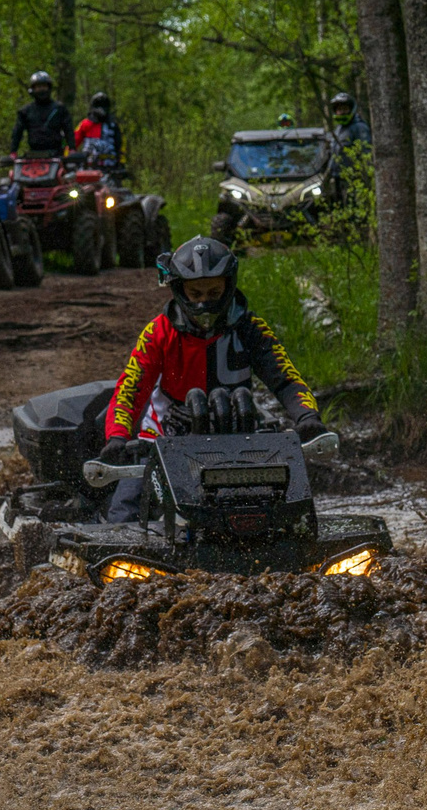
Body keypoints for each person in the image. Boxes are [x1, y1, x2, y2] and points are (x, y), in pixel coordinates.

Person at [98, 236, 324, 522]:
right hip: (163, 437)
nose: (204, 303)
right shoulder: (158, 332)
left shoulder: (252, 328)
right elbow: (131, 388)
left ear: (229, 286)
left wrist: (307, 416)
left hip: (239, 436)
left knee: (290, 512)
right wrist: (118, 436)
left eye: (214, 292)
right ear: (180, 290)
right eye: (196, 293)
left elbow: (285, 378)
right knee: (125, 510)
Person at [11, 70, 72, 158]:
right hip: (33, 156)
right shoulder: (26, 111)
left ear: (49, 88)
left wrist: (72, 149)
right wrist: (13, 151)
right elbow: (17, 132)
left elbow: (68, 130)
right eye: (38, 87)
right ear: (33, 89)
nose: (41, 89)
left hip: (56, 155)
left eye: (44, 86)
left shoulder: (59, 109)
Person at [74, 90, 122, 165]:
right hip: (88, 165)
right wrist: (68, 158)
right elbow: (73, 141)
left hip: (110, 165)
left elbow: (120, 144)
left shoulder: (113, 125)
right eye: (98, 105)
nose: (101, 109)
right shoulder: (85, 124)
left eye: (104, 105)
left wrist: (121, 161)